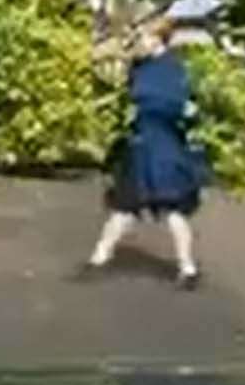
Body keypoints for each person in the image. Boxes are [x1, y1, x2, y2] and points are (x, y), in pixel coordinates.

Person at [81, 16, 209, 289]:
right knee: (124, 206)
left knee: (172, 209)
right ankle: (98, 258)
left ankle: (188, 269)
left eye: (145, 39)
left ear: (158, 40)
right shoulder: (141, 68)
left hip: (164, 148)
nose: (140, 43)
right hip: (141, 146)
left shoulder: (173, 71)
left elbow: (175, 107)